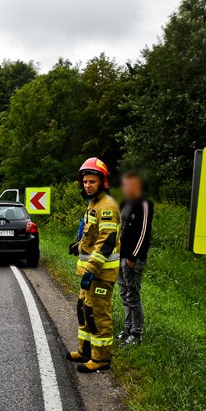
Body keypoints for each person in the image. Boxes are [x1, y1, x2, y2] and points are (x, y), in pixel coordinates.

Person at [66, 158, 121, 373]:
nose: (88, 185)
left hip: (100, 274)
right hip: (89, 272)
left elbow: (106, 242)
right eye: (85, 181)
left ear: (102, 182)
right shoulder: (93, 204)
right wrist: (78, 245)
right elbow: (93, 234)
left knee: (97, 314)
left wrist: (90, 270)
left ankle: (101, 359)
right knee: (84, 310)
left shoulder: (107, 206)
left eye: (92, 181)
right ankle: (86, 350)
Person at [117, 171, 154, 346]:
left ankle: (137, 333)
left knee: (133, 294)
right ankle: (127, 329)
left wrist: (133, 256)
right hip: (120, 256)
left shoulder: (144, 204)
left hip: (133, 259)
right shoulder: (125, 203)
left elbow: (143, 232)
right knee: (124, 293)